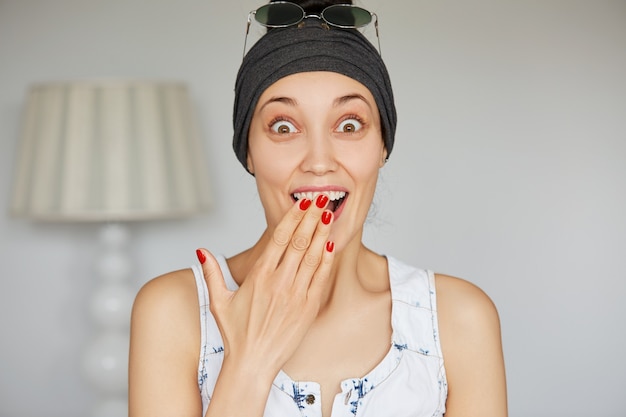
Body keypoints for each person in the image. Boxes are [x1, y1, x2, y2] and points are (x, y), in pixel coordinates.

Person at [128, 0, 508, 416]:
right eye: (283, 126)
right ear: (248, 151)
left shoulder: (458, 320)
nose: (319, 160)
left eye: (349, 124)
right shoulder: (174, 312)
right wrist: (249, 366)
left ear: (382, 145)